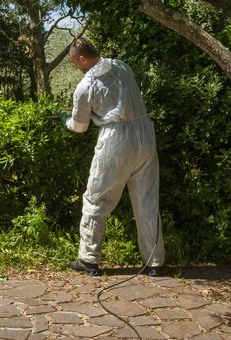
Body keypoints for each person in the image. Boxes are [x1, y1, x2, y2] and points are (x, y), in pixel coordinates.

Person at [61, 38, 165, 276]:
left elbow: (80, 126)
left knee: (97, 198)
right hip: (145, 134)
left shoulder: (85, 86)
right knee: (147, 200)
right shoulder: (122, 66)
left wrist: (66, 121)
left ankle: (89, 259)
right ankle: (154, 263)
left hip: (116, 139)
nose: (76, 67)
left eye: (75, 62)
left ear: (82, 58)